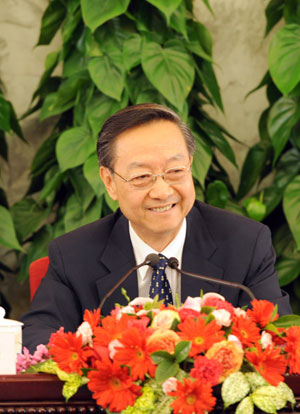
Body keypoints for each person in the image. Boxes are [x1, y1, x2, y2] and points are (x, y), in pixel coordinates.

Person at [21, 103, 292, 351]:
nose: (162, 192)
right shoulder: (74, 255)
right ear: (109, 182)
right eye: (142, 177)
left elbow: (277, 336)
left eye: (175, 171)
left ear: (191, 167)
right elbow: (38, 339)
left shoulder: (245, 243)